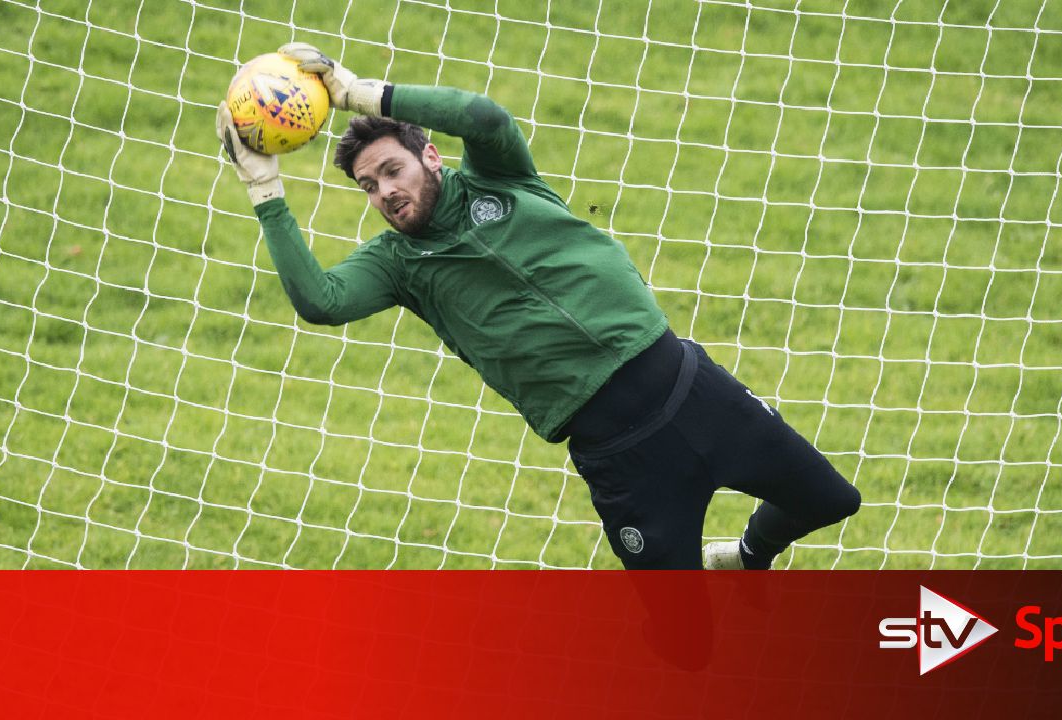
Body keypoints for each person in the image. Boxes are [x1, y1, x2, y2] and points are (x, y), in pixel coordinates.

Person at [215, 43, 860, 569]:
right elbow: (319, 301)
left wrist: (359, 94)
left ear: (430, 157)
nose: (384, 192)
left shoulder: (499, 174)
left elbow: (485, 117)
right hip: (621, 456)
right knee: (686, 646)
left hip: (694, 390)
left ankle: (747, 559)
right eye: (368, 186)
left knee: (831, 498)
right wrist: (264, 186)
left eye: (392, 171)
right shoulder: (395, 264)